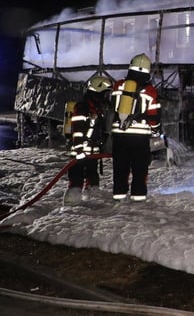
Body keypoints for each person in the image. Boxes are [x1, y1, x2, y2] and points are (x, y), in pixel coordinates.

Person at [109, 53, 162, 201]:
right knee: (139, 168)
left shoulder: (118, 85)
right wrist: (156, 130)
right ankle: (138, 196)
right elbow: (154, 116)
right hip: (140, 138)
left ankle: (119, 195)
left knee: (120, 167)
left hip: (119, 135)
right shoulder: (150, 91)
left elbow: (112, 106)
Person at [64, 74, 113, 204]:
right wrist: (79, 149)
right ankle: (72, 199)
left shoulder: (97, 108)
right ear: (97, 91)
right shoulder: (82, 107)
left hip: (92, 150)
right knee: (76, 175)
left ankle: (92, 193)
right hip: (80, 150)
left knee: (92, 173)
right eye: (104, 93)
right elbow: (78, 130)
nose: (106, 97)